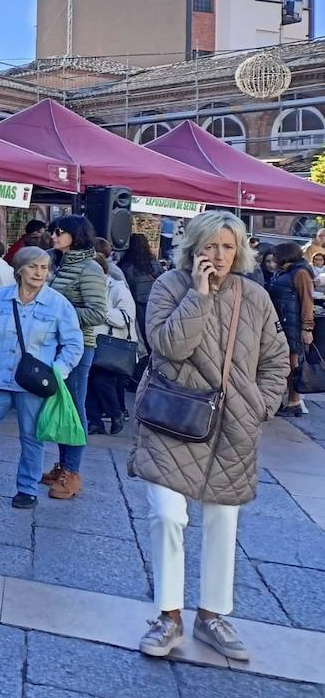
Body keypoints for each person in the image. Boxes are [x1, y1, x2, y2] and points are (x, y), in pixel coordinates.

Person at [133, 210, 289, 663]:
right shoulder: (169, 287)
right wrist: (198, 298)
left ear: (239, 250)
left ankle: (212, 614)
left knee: (224, 521)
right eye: (210, 245)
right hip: (173, 418)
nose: (218, 255)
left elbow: (277, 360)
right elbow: (167, 346)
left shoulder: (255, 297)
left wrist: (262, 404)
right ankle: (169, 614)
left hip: (234, 424)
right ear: (193, 247)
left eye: (226, 246)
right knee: (167, 514)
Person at [0, 246, 83, 509]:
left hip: (33, 384)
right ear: (19, 270)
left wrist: (57, 371)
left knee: (32, 436)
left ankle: (27, 488)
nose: (39, 272)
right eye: (33, 266)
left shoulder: (57, 304)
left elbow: (74, 343)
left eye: (44, 267)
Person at [42, 214, 107, 500]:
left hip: (79, 346)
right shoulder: (55, 263)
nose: (54, 236)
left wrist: (59, 312)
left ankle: (72, 471)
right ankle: (63, 464)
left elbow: (97, 312)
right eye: (53, 231)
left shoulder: (89, 268)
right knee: (60, 405)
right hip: (53, 345)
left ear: (76, 235)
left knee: (74, 407)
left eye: (60, 232)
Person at [87, 253, 137, 435]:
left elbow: (126, 317)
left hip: (110, 346)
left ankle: (116, 413)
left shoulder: (117, 288)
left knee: (102, 382)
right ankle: (95, 422)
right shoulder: (85, 289)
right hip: (89, 343)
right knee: (89, 384)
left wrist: (99, 310)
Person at [267, 242, 315, 418]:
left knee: (294, 364)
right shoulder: (285, 272)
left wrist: (307, 327)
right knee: (285, 363)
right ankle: (287, 400)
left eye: (276, 255)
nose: (273, 259)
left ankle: (294, 401)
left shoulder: (300, 272)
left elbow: (307, 301)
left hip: (293, 325)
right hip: (284, 324)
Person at [120, 233, 160, 346]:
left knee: (141, 331)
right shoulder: (152, 261)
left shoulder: (126, 264)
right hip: (153, 299)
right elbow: (161, 276)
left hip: (137, 301)